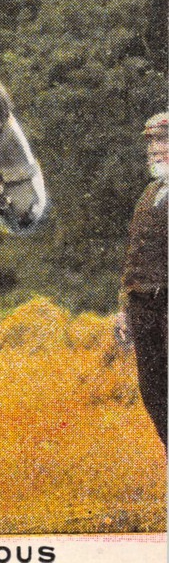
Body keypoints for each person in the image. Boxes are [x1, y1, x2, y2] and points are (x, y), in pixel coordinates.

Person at [123, 112, 168, 447]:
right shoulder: (148, 194)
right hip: (143, 308)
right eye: (151, 141)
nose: (155, 148)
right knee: (152, 390)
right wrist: (125, 308)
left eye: (163, 139)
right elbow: (133, 256)